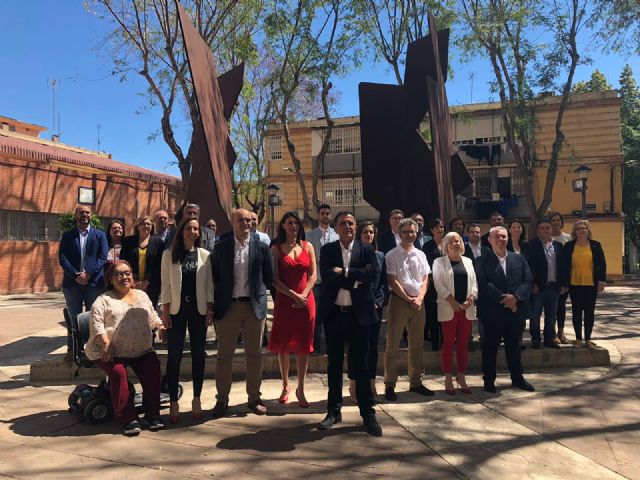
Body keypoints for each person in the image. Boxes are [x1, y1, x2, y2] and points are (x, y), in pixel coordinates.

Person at [316, 211, 382, 436]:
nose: (348, 226)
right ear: (335, 228)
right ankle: (333, 412)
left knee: (362, 366)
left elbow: (372, 276)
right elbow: (328, 277)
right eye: (343, 223)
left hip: (359, 316)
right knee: (334, 365)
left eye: (351, 223)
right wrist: (356, 279)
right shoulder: (327, 250)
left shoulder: (366, 249)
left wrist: (344, 272)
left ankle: (368, 413)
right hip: (335, 314)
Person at [86, 260, 165, 435]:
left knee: (153, 368)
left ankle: (152, 414)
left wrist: (160, 327)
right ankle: (127, 417)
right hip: (109, 351)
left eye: (127, 273)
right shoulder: (103, 300)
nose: (124, 277)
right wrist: (106, 343)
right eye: (119, 274)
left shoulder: (142, 295)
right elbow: (96, 324)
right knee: (118, 373)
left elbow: (152, 315)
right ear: (110, 279)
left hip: (140, 350)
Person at [211, 208, 274, 417]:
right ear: (232, 222)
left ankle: (254, 398)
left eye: (249, 220)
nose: (246, 224)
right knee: (224, 356)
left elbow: (269, 278)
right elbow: (215, 278)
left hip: (254, 308)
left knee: (254, 355)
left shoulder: (262, 247)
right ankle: (222, 400)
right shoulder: (221, 248)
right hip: (228, 307)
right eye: (241, 220)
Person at [160, 217, 214, 422]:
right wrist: (165, 314)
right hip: (176, 311)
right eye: (189, 228)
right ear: (181, 231)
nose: (193, 231)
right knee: (175, 356)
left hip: (198, 311)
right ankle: (173, 400)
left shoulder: (205, 255)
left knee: (199, 356)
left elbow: (209, 286)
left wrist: (209, 309)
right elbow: (165, 287)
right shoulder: (169, 255)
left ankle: (197, 399)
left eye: (196, 229)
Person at [475, 226, 535, 393]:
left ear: (508, 239)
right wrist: (506, 300)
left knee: (514, 347)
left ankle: (517, 378)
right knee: (490, 348)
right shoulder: (481, 261)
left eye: (503, 237)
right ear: (489, 240)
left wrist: (515, 298)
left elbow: (528, 281)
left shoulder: (519, 259)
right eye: (497, 237)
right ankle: (489, 380)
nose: (501, 240)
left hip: (515, 312)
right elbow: (484, 284)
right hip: (492, 313)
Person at [268, 212, 316, 407]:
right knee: (284, 345)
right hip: (286, 301)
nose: (293, 226)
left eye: (296, 223)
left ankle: (301, 389)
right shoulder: (276, 248)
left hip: (306, 301)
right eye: (289, 223)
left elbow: (313, 275)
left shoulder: (308, 246)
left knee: (304, 345)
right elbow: (274, 279)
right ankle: (286, 385)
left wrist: (303, 295)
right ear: (283, 226)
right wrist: (294, 296)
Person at [384, 218, 434, 400]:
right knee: (393, 345)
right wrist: (408, 298)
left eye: (412, 232)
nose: (409, 235)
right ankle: (390, 384)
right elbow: (392, 280)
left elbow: (425, 279)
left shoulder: (421, 255)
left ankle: (416, 381)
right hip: (399, 301)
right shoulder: (391, 255)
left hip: (418, 303)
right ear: (399, 233)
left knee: (417, 344)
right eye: (405, 232)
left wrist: (419, 298)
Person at [59, 205, 109, 363]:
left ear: (91, 215)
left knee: (93, 317)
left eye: (87, 212)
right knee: (73, 318)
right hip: (72, 284)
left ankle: (92, 350)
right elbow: (63, 258)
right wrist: (76, 275)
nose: (85, 215)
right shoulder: (68, 236)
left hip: (94, 283)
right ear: (76, 215)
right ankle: (72, 348)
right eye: (81, 212)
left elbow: (102, 257)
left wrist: (88, 274)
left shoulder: (100, 235)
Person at [432, 232, 477, 395]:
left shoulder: (469, 261)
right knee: (449, 344)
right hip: (448, 308)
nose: (455, 244)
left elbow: (475, 284)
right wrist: (452, 301)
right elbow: (438, 283)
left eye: (457, 241)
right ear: (446, 245)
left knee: (464, 344)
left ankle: (461, 376)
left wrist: (470, 299)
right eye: (451, 242)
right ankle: (448, 377)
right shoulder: (439, 262)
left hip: (466, 309)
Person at [348, 221, 388, 401]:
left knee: (372, 347)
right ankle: (354, 383)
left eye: (372, 232)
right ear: (359, 234)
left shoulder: (380, 256)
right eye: (365, 232)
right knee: (356, 347)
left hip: (374, 308)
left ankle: (371, 384)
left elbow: (382, 284)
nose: (369, 235)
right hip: (356, 306)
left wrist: (377, 303)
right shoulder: (353, 254)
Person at [564, 220, 606, 349]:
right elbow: (565, 266)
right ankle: (578, 339)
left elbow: (602, 264)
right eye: (578, 229)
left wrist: (601, 281)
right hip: (574, 283)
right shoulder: (569, 246)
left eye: (584, 228)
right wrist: (564, 283)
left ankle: (588, 339)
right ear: (574, 232)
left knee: (589, 312)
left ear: (588, 230)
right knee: (576, 312)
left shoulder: (595, 245)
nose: (581, 230)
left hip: (591, 284)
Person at [526, 218, 567, 349]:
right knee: (535, 315)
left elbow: (562, 267)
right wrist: (533, 284)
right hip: (538, 287)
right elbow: (529, 267)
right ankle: (536, 339)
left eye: (547, 228)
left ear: (551, 230)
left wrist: (563, 284)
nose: (545, 230)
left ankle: (549, 339)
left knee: (551, 316)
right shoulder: (531, 245)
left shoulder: (558, 246)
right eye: (542, 228)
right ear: (538, 231)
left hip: (554, 287)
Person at [306, 203, 339, 354]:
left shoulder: (337, 235)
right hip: (317, 282)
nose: (325, 216)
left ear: (330, 215)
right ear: (318, 216)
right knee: (316, 316)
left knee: (333, 315)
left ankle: (332, 347)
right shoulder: (309, 236)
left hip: (333, 281)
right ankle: (315, 347)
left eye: (327, 213)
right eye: (322, 213)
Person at [121, 216, 165, 307]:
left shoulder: (159, 243)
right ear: (137, 226)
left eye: (148, 224)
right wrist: (133, 279)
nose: (146, 226)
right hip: (131, 283)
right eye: (143, 224)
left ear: (152, 226)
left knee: (149, 312)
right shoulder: (128, 241)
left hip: (151, 285)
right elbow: (124, 261)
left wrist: (147, 281)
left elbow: (159, 264)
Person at [421, 218, 445, 350]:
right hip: (432, 285)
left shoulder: (448, 244)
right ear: (431, 230)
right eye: (437, 227)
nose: (440, 229)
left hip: (447, 285)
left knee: (445, 313)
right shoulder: (427, 246)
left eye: (441, 227)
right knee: (432, 313)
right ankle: (435, 341)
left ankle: (445, 339)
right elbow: (425, 265)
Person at [549, 212, 572, 344]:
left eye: (558, 220)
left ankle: (561, 332)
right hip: (550, 278)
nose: (556, 222)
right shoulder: (546, 237)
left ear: (562, 222)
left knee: (561, 306)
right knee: (551, 307)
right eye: (553, 220)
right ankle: (551, 333)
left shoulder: (567, 238)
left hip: (563, 278)